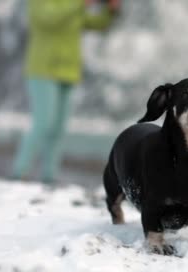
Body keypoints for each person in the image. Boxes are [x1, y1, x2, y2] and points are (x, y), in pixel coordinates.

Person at [12, 0, 120, 183]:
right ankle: (19, 172)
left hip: (68, 72)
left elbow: (96, 24)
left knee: (59, 128)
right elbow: (48, 19)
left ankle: (49, 176)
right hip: (43, 69)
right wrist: (80, 3)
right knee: (43, 124)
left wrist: (110, 11)